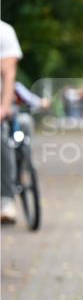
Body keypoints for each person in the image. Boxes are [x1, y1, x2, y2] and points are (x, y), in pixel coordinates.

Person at [1, 20, 23, 224]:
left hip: (1, 103)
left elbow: (9, 74)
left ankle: (6, 199)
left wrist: (4, 107)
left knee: (2, 138)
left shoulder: (4, 31)